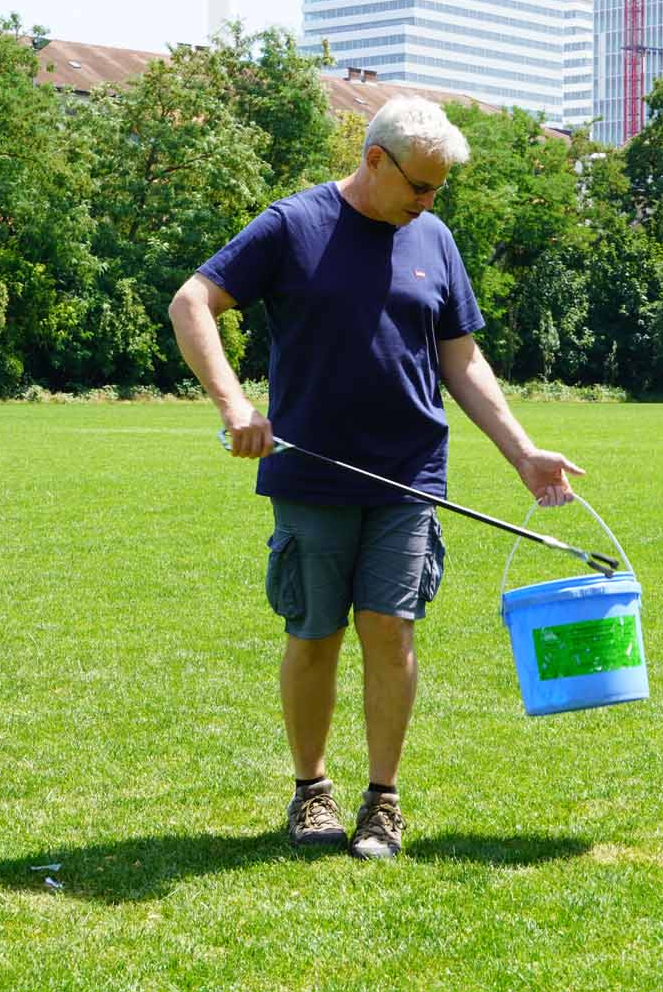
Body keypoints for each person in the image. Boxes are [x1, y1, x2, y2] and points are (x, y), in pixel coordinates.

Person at [169, 96, 583, 860]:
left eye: (438, 190)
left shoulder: (435, 239)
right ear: (373, 160)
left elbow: (462, 359)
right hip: (312, 473)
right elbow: (193, 300)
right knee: (314, 633)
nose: (428, 202)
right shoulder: (294, 226)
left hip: (408, 477)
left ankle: (382, 803)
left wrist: (523, 452)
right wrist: (235, 404)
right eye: (419, 186)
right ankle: (311, 792)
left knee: (391, 632)